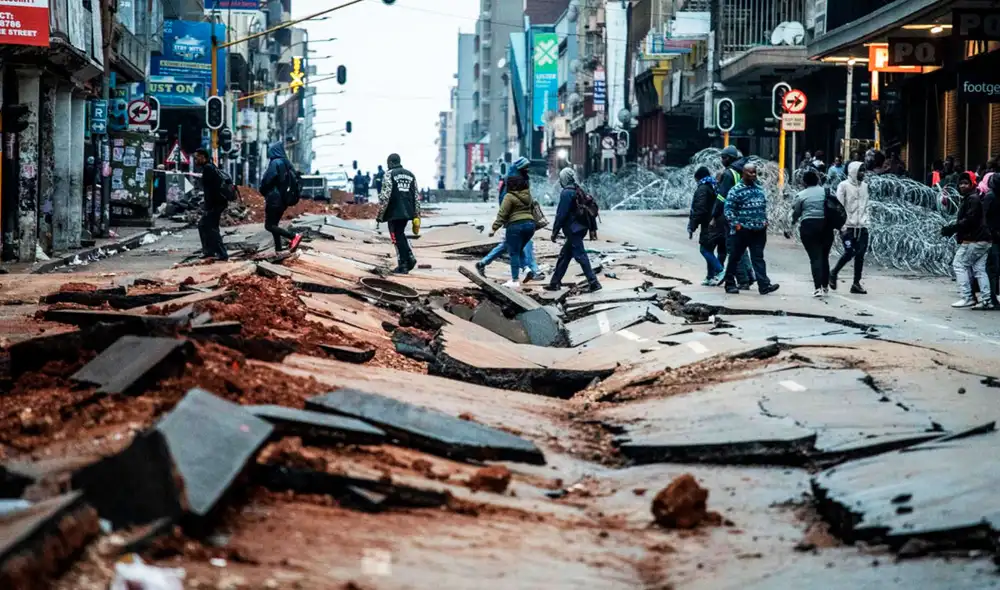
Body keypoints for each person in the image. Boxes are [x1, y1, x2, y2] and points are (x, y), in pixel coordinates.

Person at [475, 157, 544, 282]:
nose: (527, 170)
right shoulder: (512, 181)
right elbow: (504, 204)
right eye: (525, 168)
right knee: (522, 246)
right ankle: (530, 271)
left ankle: (483, 263)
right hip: (514, 222)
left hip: (519, 221)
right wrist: (500, 224)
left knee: (509, 245)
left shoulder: (521, 179)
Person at [722, 162, 779, 296]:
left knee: (758, 258)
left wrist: (764, 221)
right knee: (735, 257)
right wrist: (736, 225)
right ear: (743, 173)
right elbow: (728, 210)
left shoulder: (758, 189)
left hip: (759, 230)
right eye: (750, 172)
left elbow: (762, 207)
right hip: (742, 230)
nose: (753, 175)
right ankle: (729, 283)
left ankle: (764, 285)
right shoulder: (736, 190)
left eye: (755, 172)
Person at [941, 172, 995, 309]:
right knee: (979, 269)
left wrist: (953, 228)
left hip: (975, 240)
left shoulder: (972, 199)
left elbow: (970, 220)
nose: (962, 186)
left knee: (959, 264)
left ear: (972, 184)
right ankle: (986, 300)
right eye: (961, 183)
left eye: (966, 183)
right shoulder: (971, 198)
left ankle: (968, 297)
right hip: (982, 239)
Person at [546, 167, 601, 292]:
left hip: (573, 230)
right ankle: (555, 282)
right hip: (580, 228)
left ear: (564, 179)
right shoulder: (578, 189)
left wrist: (555, 232)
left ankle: (594, 282)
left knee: (581, 256)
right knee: (565, 256)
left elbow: (561, 214)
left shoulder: (566, 193)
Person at [716, 146, 756, 289]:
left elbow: (722, 197)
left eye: (724, 157)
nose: (722, 160)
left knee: (733, 248)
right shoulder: (743, 171)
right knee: (742, 247)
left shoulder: (729, 174)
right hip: (745, 214)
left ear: (730, 158)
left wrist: (715, 215)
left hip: (732, 215)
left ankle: (742, 280)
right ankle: (749, 276)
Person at [489, 171, 536, 290]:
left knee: (514, 252)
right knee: (519, 249)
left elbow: (502, 214)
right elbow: (533, 209)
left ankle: (515, 280)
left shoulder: (509, 196)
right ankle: (527, 269)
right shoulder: (528, 195)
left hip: (515, 226)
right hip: (530, 226)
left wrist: (494, 228)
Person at [792, 170, 834, 297]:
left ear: (804, 182)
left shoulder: (801, 195)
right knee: (824, 257)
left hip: (809, 226)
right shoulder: (827, 191)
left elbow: (796, 212)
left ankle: (817, 288)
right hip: (826, 226)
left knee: (815, 257)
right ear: (817, 180)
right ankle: (825, 286)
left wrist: (792, 223)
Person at [376, 153, 421, 274]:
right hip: (408, 210)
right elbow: (416, 196)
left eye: (388, 164)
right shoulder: (410, 174)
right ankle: (408, 259)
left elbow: (385, 196)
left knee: (396, 237)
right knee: (400, 234)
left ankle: (404, 263)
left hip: (394, 211)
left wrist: (380, 215)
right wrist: (417, 214)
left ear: (390, 163)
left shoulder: (389, 174)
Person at [830, 161, 870, 294]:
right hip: (847, 226)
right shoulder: (844, 186)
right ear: (853, 172)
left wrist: (867, 220)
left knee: (860, 255)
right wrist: (840, 225)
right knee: (850, 251)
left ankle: (856, 283)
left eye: (864, 171)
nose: (863, 173)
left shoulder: (865, 186)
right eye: (860, 171)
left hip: (862, 226)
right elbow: (838, 206)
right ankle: (833, 272)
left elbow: (866, 205)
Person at [258, 142, 303, 253]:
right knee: (274, 225)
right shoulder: (287, 163)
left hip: (274, 199)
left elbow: (267, 180)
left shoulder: (275, 163)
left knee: (269, 226)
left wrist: (263, 190)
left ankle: (293, 236)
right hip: (283, 200)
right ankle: (278, 249)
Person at [688, 166, 726, 286]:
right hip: (721, 222)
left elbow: (700, 209)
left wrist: (692, 226)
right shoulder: (715, 185)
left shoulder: (703, 189)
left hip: (710, 224)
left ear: (698, 178)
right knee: (712, 250)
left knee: (704, 249)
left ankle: (720, 271)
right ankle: (710, 276)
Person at [193, 148, 229, 261]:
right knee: (204, 225)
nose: (195, 160)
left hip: (215, 204)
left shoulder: (208, 168)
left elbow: (211, 190)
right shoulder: (210, 167)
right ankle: (210, 252)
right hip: (217, 203)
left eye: (196, 158)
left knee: (210, 227)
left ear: (202, 157)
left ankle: (221, 253)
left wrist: (208, 207)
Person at [985, 173, 1000, 308]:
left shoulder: (990, 196)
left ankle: (993, 297)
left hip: (993, 236)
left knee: (992, 268)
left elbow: (984, 216)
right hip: (995, 234)